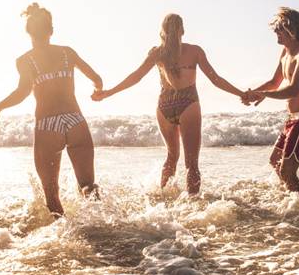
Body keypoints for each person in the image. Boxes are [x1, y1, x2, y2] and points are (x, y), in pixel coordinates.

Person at [92, 13, 246, 194]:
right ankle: (193, 204)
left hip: (164, 106)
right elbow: (216, 79)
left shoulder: (157, 53)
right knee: (191, 164)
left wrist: (108, 93)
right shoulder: (195, 51)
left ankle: (163, 197)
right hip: (188, 102)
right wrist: (242, 94)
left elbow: (136, 77)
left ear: (163, 32)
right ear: (182, 30)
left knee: (172, 157)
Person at [0, 3, 102, 217]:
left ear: (28, 32)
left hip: (48, 125)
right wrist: (98, 90)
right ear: (51, 30)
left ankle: (64, 238)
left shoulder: (25, 60)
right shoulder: (67, 52)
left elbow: (22, 92)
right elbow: (96, 79)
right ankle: (102, 230)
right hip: (75, 120)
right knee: (88, 186)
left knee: (51, 194)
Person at [244, 7, 299, 191]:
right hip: (293, 120)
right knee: (275, 163)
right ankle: (297, 200)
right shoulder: (285, 52)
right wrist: (254, 93)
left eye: (279, 29)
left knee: (287, 171)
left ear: (291, 30)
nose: (275, 33)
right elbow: (274, 82)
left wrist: (264, 95)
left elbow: (294, 89)